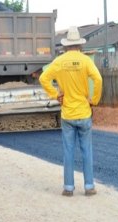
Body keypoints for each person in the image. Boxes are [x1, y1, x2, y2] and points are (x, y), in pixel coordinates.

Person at [39, 26, 103, 197]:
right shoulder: (85, 61)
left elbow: (43, 78)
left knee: (68, 151)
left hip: (67, 114)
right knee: (86, 150)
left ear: (66, 45)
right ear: (80, 45)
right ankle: (89, 187)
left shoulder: (59, 62)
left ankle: (68, 188)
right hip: (84, 112)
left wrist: (55, 95)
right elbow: (98, 79)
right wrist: (94, 100)